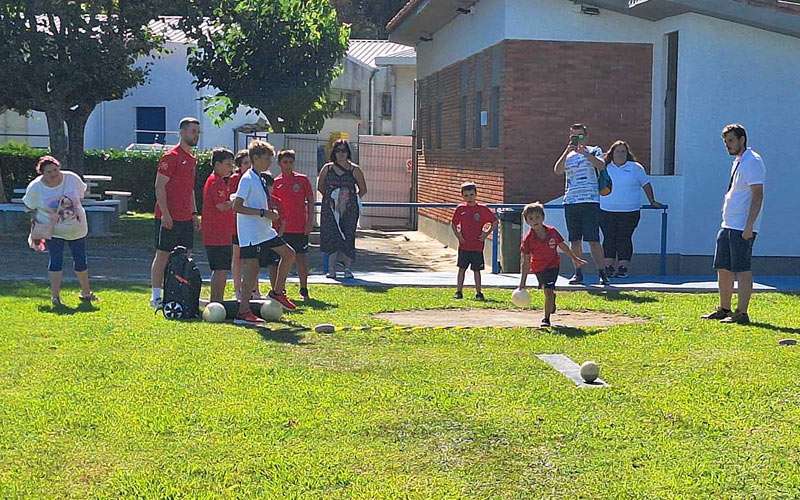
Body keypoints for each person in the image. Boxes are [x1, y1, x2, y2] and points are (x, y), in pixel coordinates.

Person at [702, 124, 765, 325]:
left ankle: (742, 312)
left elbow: (758, 195)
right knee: (723, 267)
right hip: (728, 223)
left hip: (742, 226)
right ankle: (724, 308)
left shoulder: (753, 161)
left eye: (731, 140)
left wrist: (749, 225)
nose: (728, 145)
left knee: (742, 268)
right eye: (725, 141)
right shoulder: (739, 161)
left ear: (742, 139)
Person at [232, 140, 296, 324]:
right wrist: (263, 213)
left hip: (265, 230)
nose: (270, 162)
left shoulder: (259, 177)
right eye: (267, 158)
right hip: (251, 234)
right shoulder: (247, 178)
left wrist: (269, 213)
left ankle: (276, 292)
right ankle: (243, 312)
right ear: (256, 158)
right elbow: (237, 206)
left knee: (289, 254)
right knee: (251, 272)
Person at [23, 156, 98, 307]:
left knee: (80, 260)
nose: (53, 174)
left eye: (55, 169)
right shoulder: (36, 187)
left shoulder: (71, 178)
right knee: (56, 260)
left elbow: (82, 194)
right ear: (42, 173)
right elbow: (29, 207)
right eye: (48, 171)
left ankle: (86, 293)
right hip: (53, 230)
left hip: (76, 228)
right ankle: (55, 297)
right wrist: (38, 226)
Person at [150, 117, 200, 309]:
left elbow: (190, 189)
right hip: (169, 216)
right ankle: (155, 296)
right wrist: (165, 214)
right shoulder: (170, 157)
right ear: (182, 132)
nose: (195, 135)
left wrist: (194, 213)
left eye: (197, 131)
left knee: (185, 255)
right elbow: (159, 186)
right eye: (192, 131)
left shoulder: (192, 159)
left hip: (186, 216)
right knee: (163, 254)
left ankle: (180, 291)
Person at [553, 123, 610, 285]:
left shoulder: (594, 150)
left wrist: (585, 153)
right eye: (573, 136)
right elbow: (557, 170)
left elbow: (601, 165)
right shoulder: (568, 154)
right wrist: (567, 151)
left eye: (580, 136)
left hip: (590, 200)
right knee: (575, 240)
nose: (577, 139)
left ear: (586, 136)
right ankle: (578, 272)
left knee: (593, 239)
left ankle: (602, 272)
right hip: (571, 201)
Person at [599, 141, 664, 278]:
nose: (620, 154)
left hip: (630, 211)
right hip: (606, 210)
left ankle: (623, 267)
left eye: (623, 151)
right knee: (609, 238)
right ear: (612, 153)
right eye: (618, 151)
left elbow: (646, 184)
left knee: (624, 238)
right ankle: (608, 266)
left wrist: (652, 201)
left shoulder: (635, 168)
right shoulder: (604, 167)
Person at [518, 202, 586, 327]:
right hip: (538, 268)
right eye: (531, 219)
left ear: (543, 217)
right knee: (547, 291)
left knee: (548, 291)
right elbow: (526, 261)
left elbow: (563, 246)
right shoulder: (528, 239)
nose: (535, 221)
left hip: (553, 266)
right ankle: (552, 300)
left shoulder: (552, 232)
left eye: (537, 217)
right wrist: (522, 283)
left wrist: (574, 258)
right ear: (527, 221)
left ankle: (546, 319)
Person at [317, 139, 367, 279]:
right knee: (331, 237)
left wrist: (349, 200)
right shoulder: (327, 168)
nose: (341, 154)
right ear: (334, 152)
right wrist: (333, 198)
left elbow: (363, 189)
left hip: (349, 210)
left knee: (348, 237)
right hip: (330, 209)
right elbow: (320, 187)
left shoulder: (354, 170)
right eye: (338, 150)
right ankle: (331, 269)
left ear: (348, 152)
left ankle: (347, 268)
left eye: (344, 150)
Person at [273, 149, 315, 300]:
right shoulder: (276, 182)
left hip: (299, 226)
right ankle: (280, 289)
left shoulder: (302, 180)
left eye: (291, 162)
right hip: (283, 228)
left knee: (301, 259)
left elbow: (310, 201)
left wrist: (310, 221)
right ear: (279, 164)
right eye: (285, 162)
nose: (288, 165)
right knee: (283, 260)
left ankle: (304, 289)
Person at [450, 182, 498, 300]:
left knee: (477, 270)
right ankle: (459, 291)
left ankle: (478, 293)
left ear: (476, 194)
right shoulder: (461, 209)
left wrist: (485, 234)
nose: (469, 198)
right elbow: (453, 223)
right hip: (464, 246)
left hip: (477, 247)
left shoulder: (482, 209)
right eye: (466, 195)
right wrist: (459, 236)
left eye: (471, 194)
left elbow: (495, 222)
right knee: (462, 269)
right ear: (462, 196)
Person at [201, 147, 236, 303]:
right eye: (228, 164)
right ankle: (216, 301)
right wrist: (237, 200)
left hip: (222, 232)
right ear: (217, 164)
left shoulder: (221, 181)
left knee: (221, 268)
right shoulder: (215, 182)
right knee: (220, 269)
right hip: (216, 232)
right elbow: (221, 206)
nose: (231, 167)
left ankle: (217, 300)